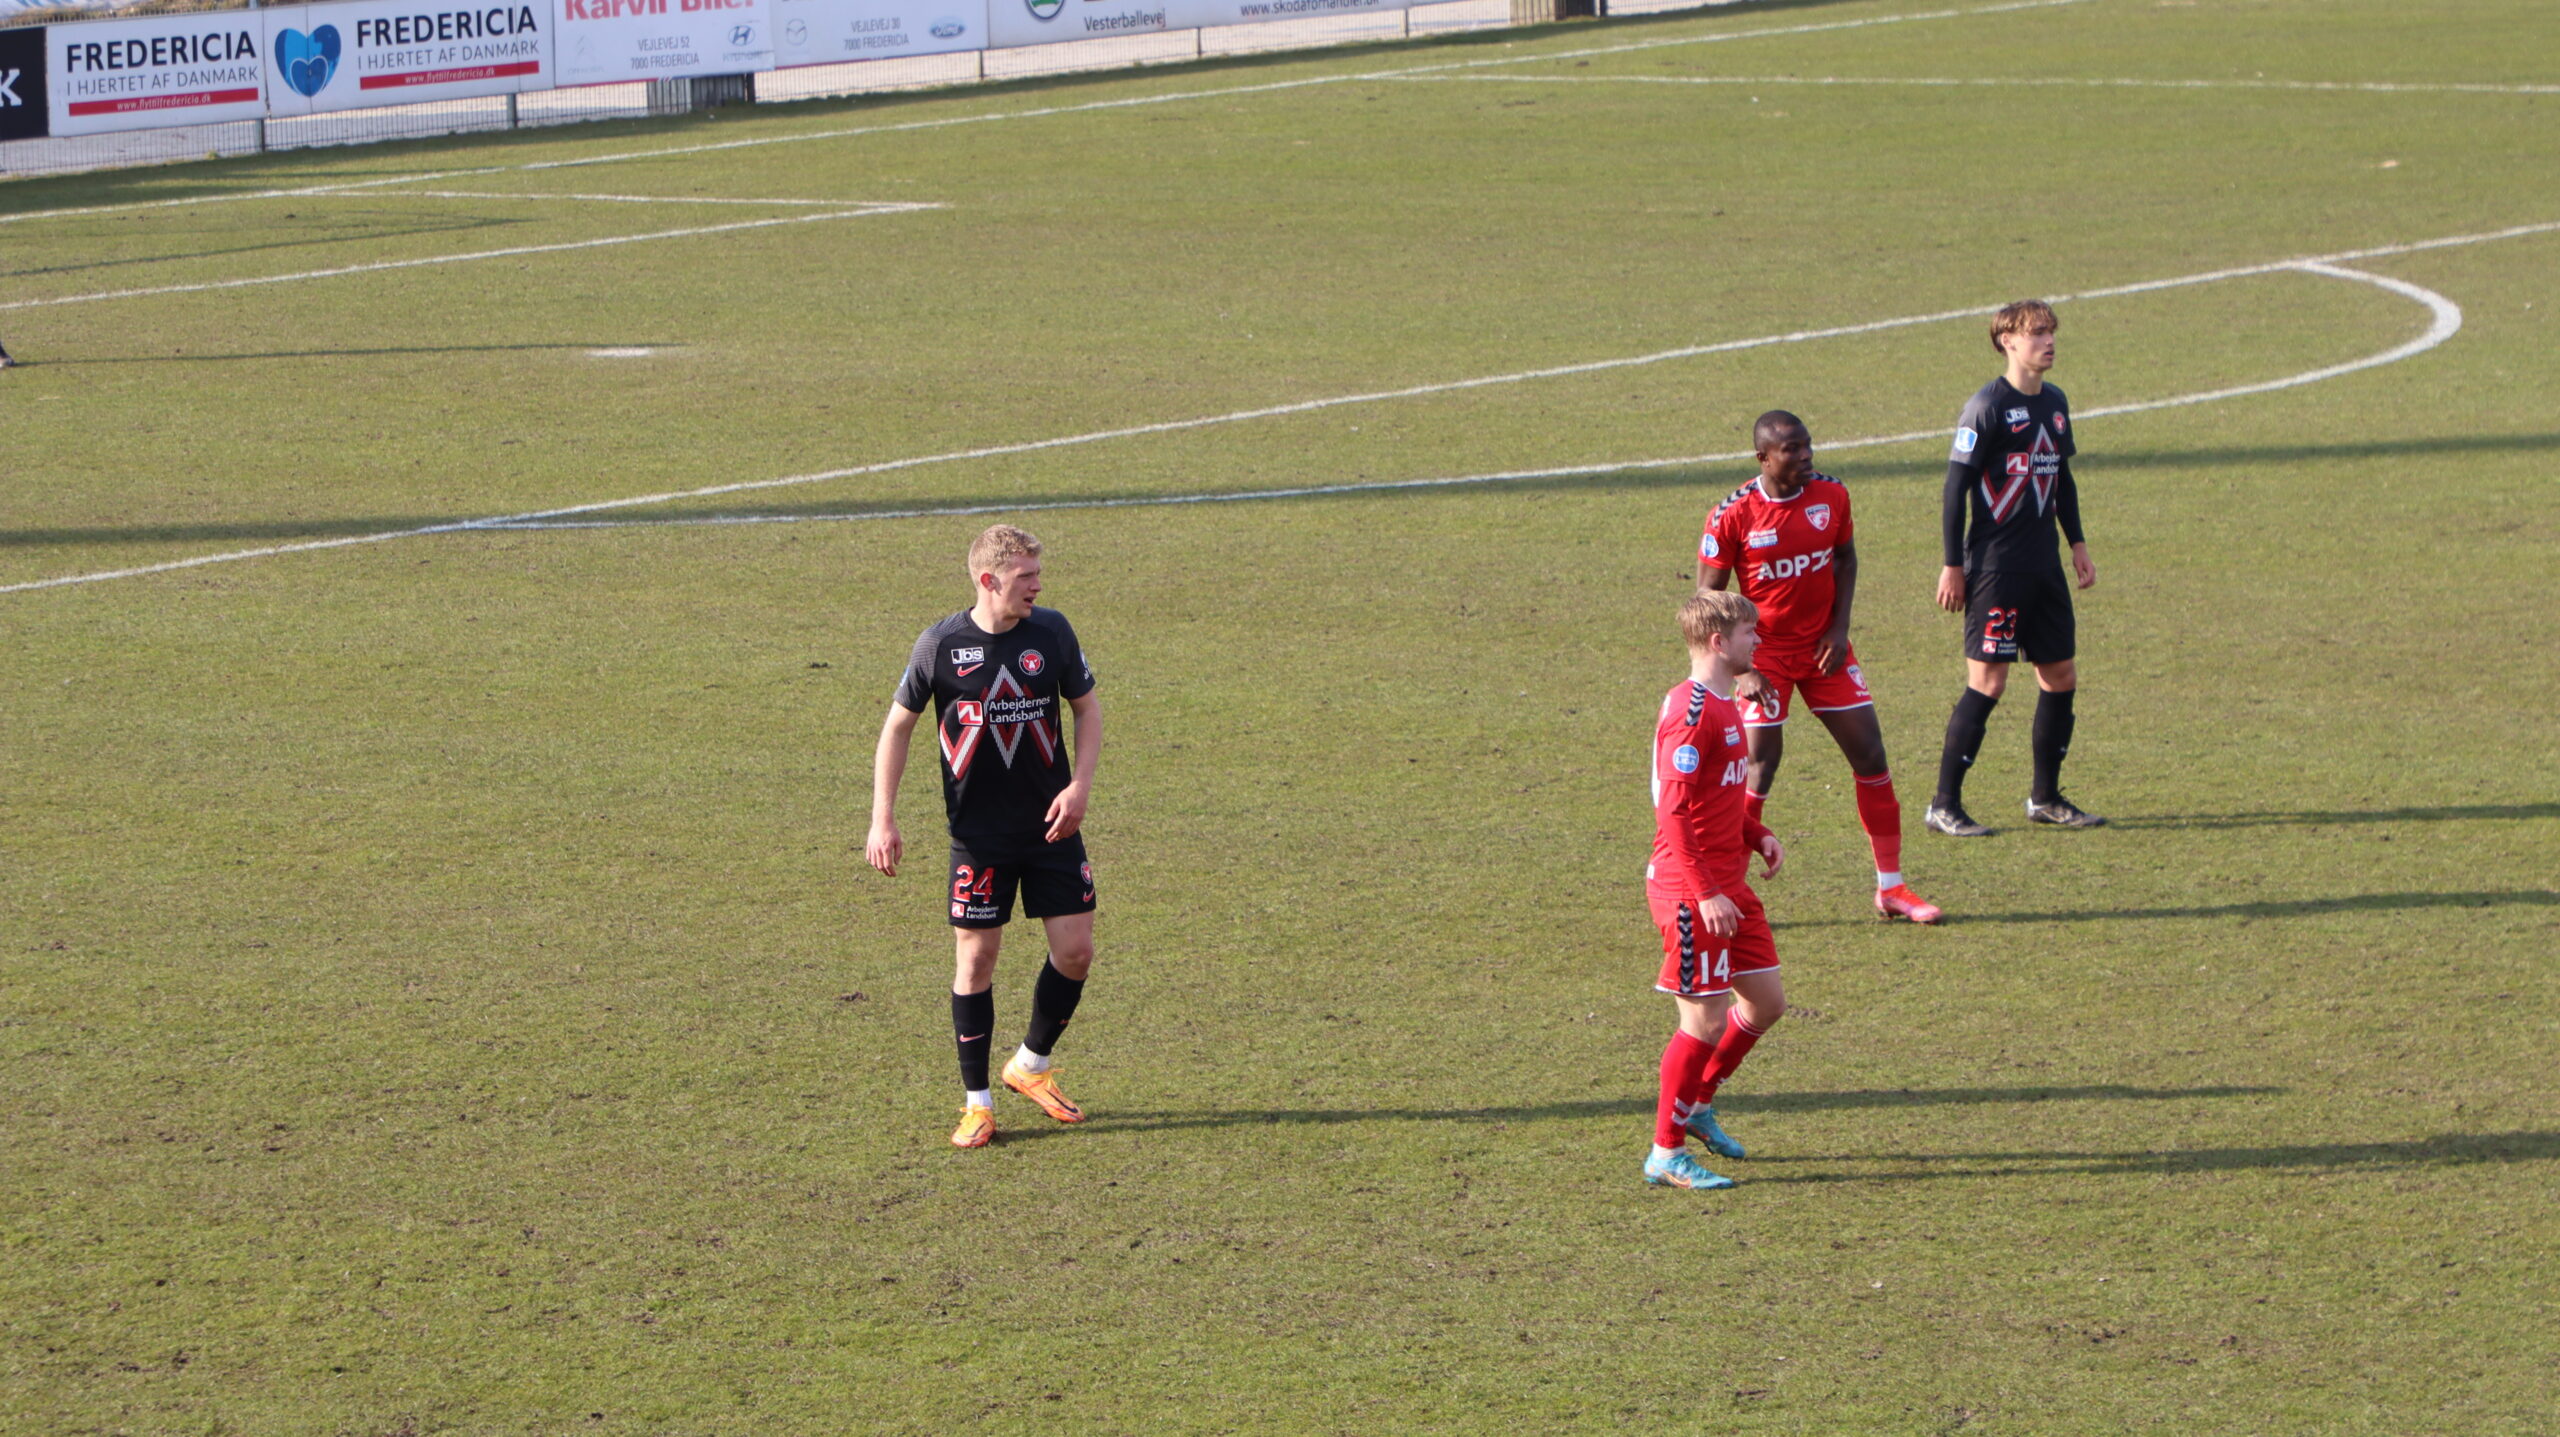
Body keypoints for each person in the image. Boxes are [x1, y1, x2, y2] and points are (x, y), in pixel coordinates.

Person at [866, 524, 1103, 1148]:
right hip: (979, 836)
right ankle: (977, 1105)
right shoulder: (940, 645)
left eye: (1038, 573)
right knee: (976, 960)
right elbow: (897, 728)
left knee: (1076, 951)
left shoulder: (1052, 632)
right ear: (989, 579)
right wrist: (883, 817)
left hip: (1052, 825)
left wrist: (1079, 786)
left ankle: (1030, 1065)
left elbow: (1086, 708)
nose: (1038, 585)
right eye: (1027, 576)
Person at [1700, 410, 1942, 924]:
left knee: (1871, 755)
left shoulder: (1831, 495)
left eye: (1808, 445)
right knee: (1759, 765)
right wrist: (1742, 670)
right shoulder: (1732, 514)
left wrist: (1839, 627)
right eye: (1791, 449)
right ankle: (1730, 887)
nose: (1806, 455)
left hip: (1824, 651)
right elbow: (1707, 600)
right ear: (1764, 458)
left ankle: (1892, 887)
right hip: (1764, 655)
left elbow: (1845, 558)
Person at [1926, 300, 2105, 836]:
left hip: (2044, 565)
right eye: (2037, 333)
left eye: (2051, 332)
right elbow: (1955, 489)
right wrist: (1952, 565)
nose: (2048, 341)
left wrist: (2077, 544)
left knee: (2060, 674)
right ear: (2007, 341)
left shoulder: (2055, 402)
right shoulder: (1986, 406)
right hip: (1996, 568)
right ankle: (1943, 805)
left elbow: (2062, 479)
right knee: (1989, 681)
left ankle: (2045, 797)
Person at [1643, 591, 1789, 1192]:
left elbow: (1717, 795)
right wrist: (1704, 893)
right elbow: (1673, 812)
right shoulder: (1693, 713)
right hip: (1691, 889)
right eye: (1750, 632)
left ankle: (1698, 1103)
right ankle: (1666, 1152)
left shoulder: (1726, 703)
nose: (1758, 641)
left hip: (1729, 882)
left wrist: (1756, 833)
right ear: (1717, 641)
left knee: (1765, 1003)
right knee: (1702, 1021)